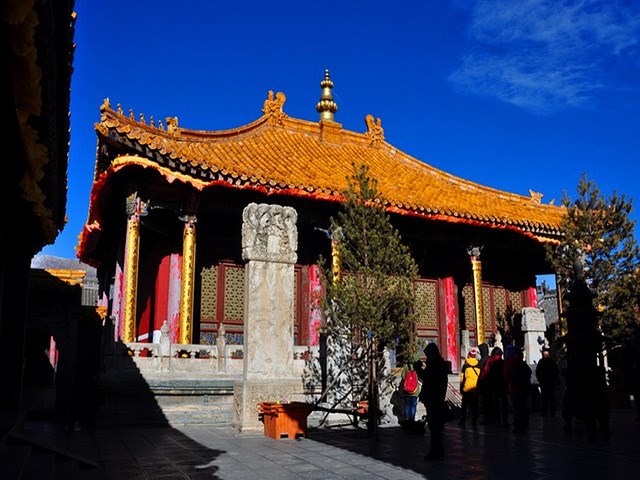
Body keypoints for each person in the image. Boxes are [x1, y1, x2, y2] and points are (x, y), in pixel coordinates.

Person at [417, 343, 449, 460]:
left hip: (434, 398)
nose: (427, 357)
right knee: (436, 427)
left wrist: (419, 370)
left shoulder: (435, 365)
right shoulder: (439, 364)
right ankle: (438, 449)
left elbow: (428, 379)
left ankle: (435, 450)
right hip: (437, 398)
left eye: (428, 354)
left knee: (434, 426)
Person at [504, 345, 531, 434]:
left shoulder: (509, 362)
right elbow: (529, 373)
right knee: (523, 406)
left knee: (517, 408)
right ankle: (525, 424)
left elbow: (505, 376)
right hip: (524, 388)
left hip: (514, 388)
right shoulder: (522, 363)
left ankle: (518, 426)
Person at [485, 346, 509, 428]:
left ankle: (498, 422)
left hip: (494, 386)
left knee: (496, 405)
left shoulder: (490, 363)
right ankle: (505, 422)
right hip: (503, 385)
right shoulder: (504, 363)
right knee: (504, 404)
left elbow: (486, 374)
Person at [459, 348, 481, 427]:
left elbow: (462, 378)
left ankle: (463, 421)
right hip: (475, 388)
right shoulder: (479, 365)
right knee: (475, 406)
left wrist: (461, 387)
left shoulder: (465, 366)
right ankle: (474, 421)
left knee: (464, 406)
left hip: (467, 388)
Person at [536, 348, 559, 417]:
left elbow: (538, 372)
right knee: (547, 398)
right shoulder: (551, 362)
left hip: (547, 382)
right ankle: (549, 412)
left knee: (548, 398)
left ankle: (548, 412)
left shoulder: (545, 362)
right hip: (547, 382)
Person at [401, 353, 422, 422]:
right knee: (413, 405)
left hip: (406, 390)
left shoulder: (406, 366)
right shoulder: (417, 367)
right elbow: (421, 378)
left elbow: (403, 376)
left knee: (407, 405)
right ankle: (412, 420)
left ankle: (407, 419)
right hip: (415, 390)